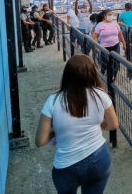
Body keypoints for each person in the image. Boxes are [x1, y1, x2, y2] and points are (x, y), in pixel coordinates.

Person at [35, 55, 119, 194]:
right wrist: (98, 124)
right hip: (99, 159)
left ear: (67, 74)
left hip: (66, 167)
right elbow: (113, 125)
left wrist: (56, 130)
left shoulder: (53, 101)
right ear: (92, 73)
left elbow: (40, 141)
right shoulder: (100, 95)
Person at [93, 10, 127, 83]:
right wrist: (96, 46)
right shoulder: (100, 25)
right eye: (109, 14)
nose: (111, 16)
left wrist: (124, 43)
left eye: (112, 14)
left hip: (115, 46)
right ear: (105, 16)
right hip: (104, 47)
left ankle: (113, 79)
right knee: (104, 64)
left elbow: (120, 34)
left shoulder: (115, 24)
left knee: (116, 64)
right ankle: (102, 75)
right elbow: (95, 36)